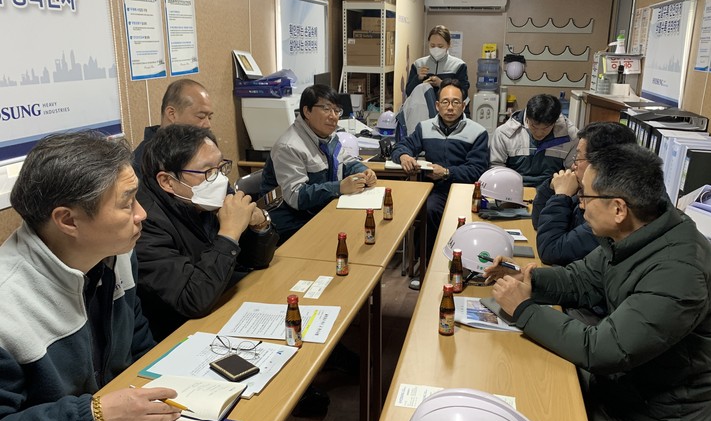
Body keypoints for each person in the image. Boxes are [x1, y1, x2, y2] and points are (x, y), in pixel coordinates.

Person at [488, 143, 711, 421]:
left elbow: (604, 350)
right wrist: (528, 280)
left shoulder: (680, 271)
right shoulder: (638, 233)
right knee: (514, 385)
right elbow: (580, 280)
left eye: (585, 196)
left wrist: (524, 309)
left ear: (618, 208)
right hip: (622, 390)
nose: (579, 203)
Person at [0, 131, 182, 421]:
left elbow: (138, 344)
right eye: (127, 203)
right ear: (68, 221)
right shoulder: (7, 302)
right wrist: (95, 417)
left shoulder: (115, 254)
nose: (142, 214)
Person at [136, 125, 277, 340]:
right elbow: (192, 300)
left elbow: (255, 260)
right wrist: (229, 234)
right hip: (178, 331)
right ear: (168, 181)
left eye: (220, 167)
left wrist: (259, 226)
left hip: (223, 300)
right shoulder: (145, 223)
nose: (219, 179)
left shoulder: (206, 193)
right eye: (207, 171)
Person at [391, 80, 489, 288]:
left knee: (459, 217)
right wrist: (404, 156)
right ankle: (428, 270)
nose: (450, 107)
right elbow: (401, 146)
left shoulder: (478, 132)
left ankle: (460, 269)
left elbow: (477, 170)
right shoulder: (425, 127)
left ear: (464, 105)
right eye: (445, 102)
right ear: (437, 105)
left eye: (455, 102)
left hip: (464, 190)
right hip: (435, 190)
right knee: (428, 210)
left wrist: (446, 172)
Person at [259, 84, 377, 243]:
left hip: (319, 211)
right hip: (291, 224)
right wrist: (339, 187)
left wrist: (363, 171)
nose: (333, 116)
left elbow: (346, 161)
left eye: (337, 110)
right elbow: (296, 197)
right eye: (326, 109)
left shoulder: (328, 136)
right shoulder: (289, 146)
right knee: (351, 237)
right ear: (307, 111)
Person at [532, 121, 637, 266]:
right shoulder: (590, 189)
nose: (573, 165)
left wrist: (560, 196)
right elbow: (539, 222)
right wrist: (552, 186)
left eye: (578, 158)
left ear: (600, 164)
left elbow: (551, 251)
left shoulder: (610, 208)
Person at [490, 93, 577, 187]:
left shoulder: (571, 135)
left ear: (554, 123)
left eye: (545, 128)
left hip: (553, 188)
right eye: (534, 126)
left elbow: (572, 171)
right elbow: (496, 168)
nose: (539, 133)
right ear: (527, 118)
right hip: (513, 187)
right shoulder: (504, 133)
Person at [133, 79, 214, 171]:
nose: (208, 125)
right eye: (201, 116)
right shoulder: (143, 164)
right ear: (172, 114)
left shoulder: (200, 149)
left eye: (209, 117)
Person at [405, 25, 469, 100]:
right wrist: (418, 78)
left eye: (440, 46)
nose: (436, 49)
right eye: (432, 45)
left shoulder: (459, 65)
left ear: (448, 45)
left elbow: (463, 93)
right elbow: (409, 92)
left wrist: (442, 84)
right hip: (423, 106)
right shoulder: (418, 64)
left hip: (447, 106)